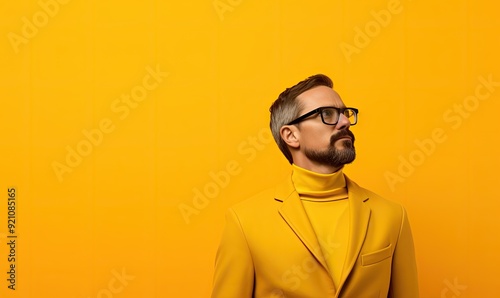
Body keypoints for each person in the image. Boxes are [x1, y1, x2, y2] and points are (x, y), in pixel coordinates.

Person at [211, 74, 419, 298]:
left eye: (345, 113)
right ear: (291, 135)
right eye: (327, 114)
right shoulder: (244, 222)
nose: (345, 122)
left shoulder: (392, 216)